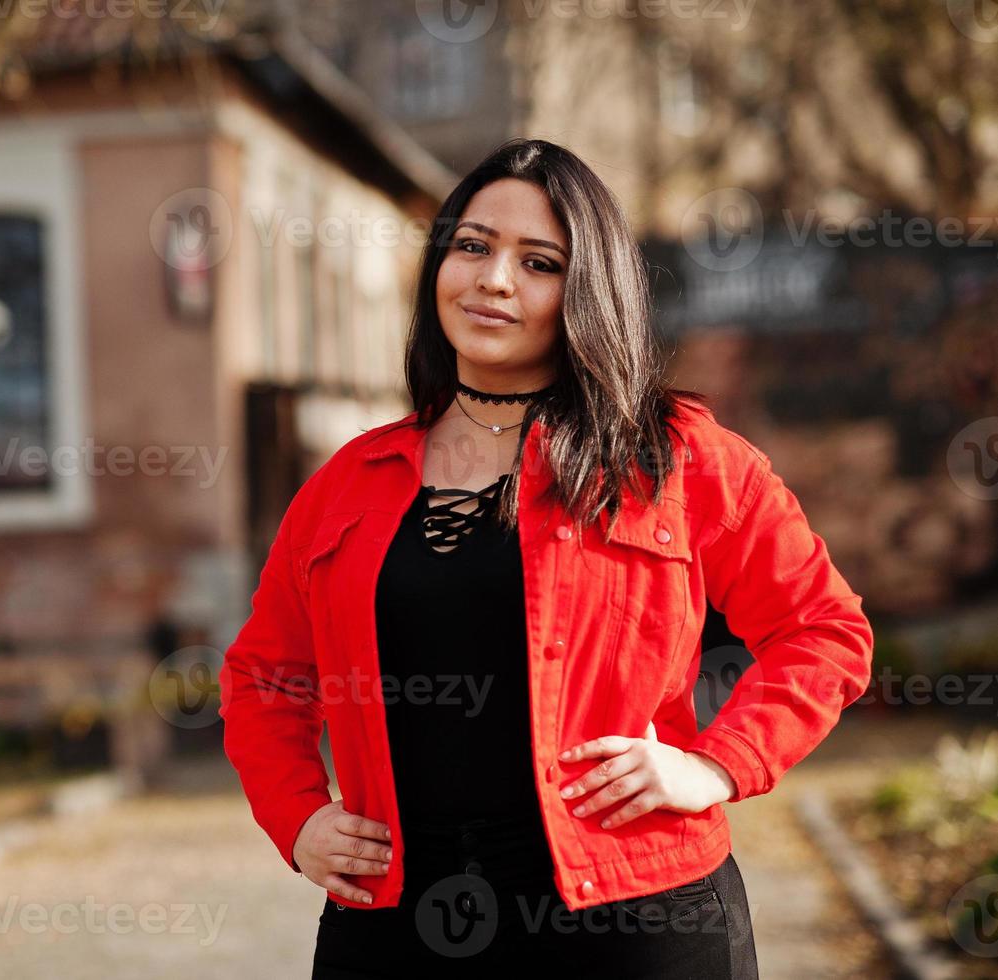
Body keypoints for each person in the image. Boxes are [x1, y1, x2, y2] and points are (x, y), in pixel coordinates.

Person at [216, 138, 873, 978]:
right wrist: (298, 817)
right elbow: (266, 675)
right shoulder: (350, 481)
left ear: (586, 290)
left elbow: (824, 629)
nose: (494, 280)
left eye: (538, 262)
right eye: (472, 246)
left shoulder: (678, 460)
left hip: (635, 927)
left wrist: (716, 764)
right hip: (394, 931)